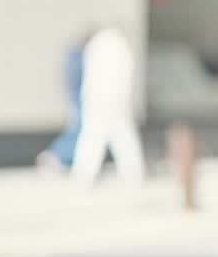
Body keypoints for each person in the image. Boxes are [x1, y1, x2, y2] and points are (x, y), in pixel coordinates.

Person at [70, 25, 146, 186]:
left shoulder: (97, 46)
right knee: (122, 138)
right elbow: (125, 78)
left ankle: (84, 175)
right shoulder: (120, 47)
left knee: (93, 137)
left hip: (96, 100)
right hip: (115, 101)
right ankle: (132, 173)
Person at [37, 28, 93, 173]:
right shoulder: (79, 57)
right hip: (79, 98)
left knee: (78, 130)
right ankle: (54, 156)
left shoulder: (75, 55)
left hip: (77, 97)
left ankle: (60, 158)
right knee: (77, 130)